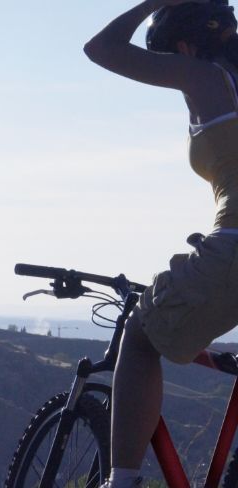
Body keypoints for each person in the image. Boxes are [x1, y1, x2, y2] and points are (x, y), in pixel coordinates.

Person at [84, 1, 238, 485]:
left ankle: (122, 482)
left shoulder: (205, 77)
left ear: (186, 47)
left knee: (141, 335)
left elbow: (101, 49)